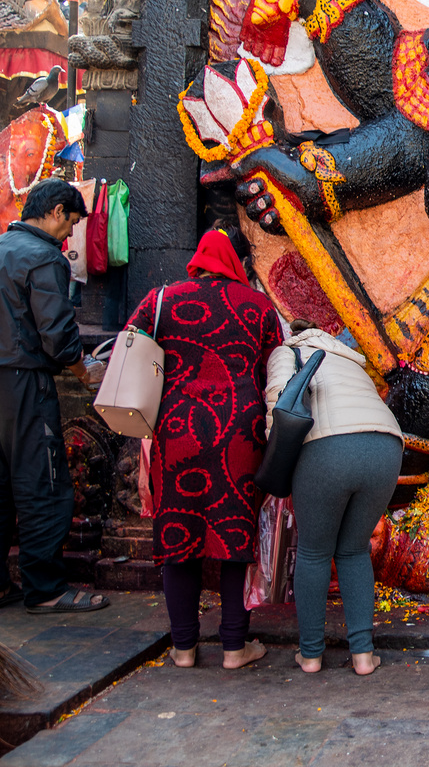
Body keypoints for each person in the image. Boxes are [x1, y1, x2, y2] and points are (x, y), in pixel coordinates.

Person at [126, 223, 282, 669]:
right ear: (238, 262)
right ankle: (235, 646)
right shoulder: (258, 308)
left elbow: (129, 350)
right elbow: (277, 370)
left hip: (176, 430)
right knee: (234, 533)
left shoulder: (160, 300)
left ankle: (183, 647)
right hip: (240, 432)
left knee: (178, 532)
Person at [0, 178, 108, 614]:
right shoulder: (43, 257)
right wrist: (84, 372)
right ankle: (44, 588)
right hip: (23, 381)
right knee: (42, 480)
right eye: (72, 223)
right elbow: (58, 333)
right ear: (58, 211)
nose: (70, 235)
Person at [265, 319, 403, 675]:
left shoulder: (287, 351)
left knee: (314, 552)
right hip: (385, 445)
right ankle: (362, 655)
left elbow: (278, 407)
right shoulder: (349, 357)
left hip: (328, 449)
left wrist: (274, 460)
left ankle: (310, 655)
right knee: (354, 549)